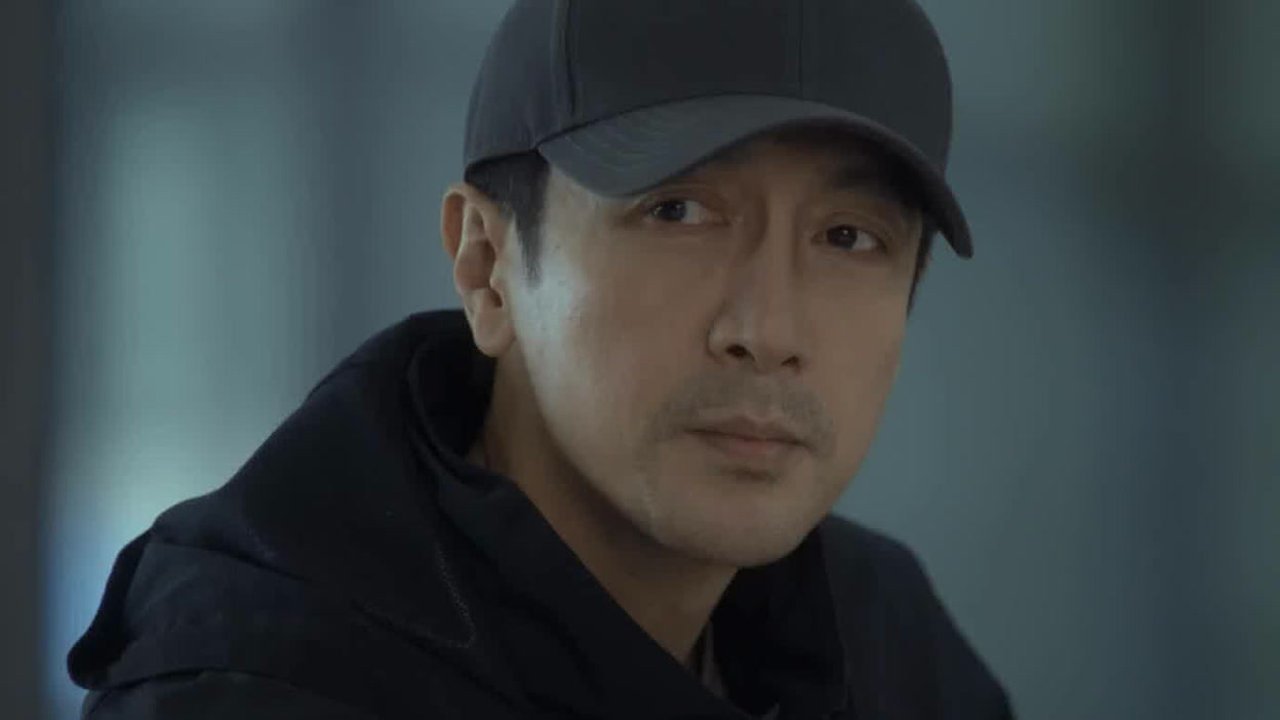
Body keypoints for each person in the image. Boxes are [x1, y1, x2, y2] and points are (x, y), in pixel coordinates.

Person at [68, 1, 1014, 717]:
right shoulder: (264, 684)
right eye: (679, 211)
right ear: (486, 268)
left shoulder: (883, 641)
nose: (767, 330)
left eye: (849, 237)